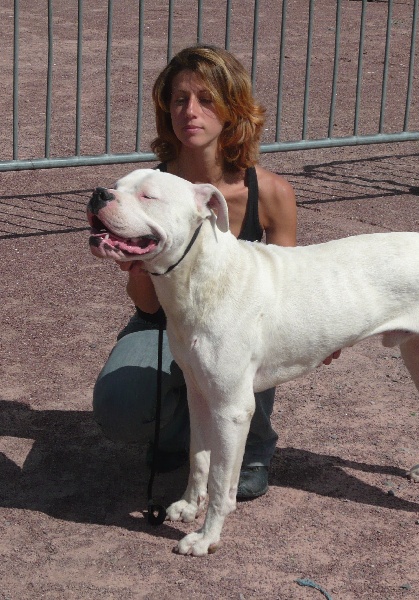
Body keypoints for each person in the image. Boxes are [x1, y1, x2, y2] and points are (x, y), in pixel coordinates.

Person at [93, 45, 339, 499]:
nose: (190, 111)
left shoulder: (271, 192)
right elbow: (148, 307)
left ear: (233, 108)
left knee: (241, 347)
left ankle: (253, 448)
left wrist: (328, 328)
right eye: (179, 99)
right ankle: (181, 437)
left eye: (206, 99)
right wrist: (141, 262)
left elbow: (288, 288)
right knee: (121, 406)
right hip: (165, 321)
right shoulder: (149, 188)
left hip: (245, 322)